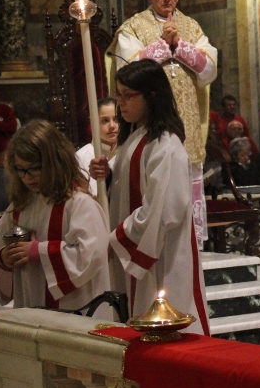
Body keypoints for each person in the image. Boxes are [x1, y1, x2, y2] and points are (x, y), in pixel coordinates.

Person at [90, 59, 210, 334]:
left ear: (152, 95)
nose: (120, 103)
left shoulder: (165, 145)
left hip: (160, 255)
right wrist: (107, 175)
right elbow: (127, 189)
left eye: (128, 95)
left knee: (166, 331)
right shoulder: (133, 138)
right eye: (118, 95)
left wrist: (118, 238)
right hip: (140, 248)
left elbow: (165, 210)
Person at [109, 0, 217, 248]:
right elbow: (128, 71)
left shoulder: (191, 27)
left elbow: (209, 70)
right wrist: (162, 46)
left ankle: (191, 245)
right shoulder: (134, 27)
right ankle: (149, 242)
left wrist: (178, 45)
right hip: (150, 122)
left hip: (186, 122)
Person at [0, 121, 111, 316]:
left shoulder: (78, 204)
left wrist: (38, 252)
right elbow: (0, 242)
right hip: (30, 302)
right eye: (20, 169)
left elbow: (91, 255)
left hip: (74, 307)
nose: (27, 177)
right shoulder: (20, 206)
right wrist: (5, 258)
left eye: (34, 168)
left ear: (55, 162)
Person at [76, 97, 120, 196]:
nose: (112, 125)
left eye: (116, 119)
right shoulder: (81, 157)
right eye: (105, 121)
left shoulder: (128, 150)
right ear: (93, 123)